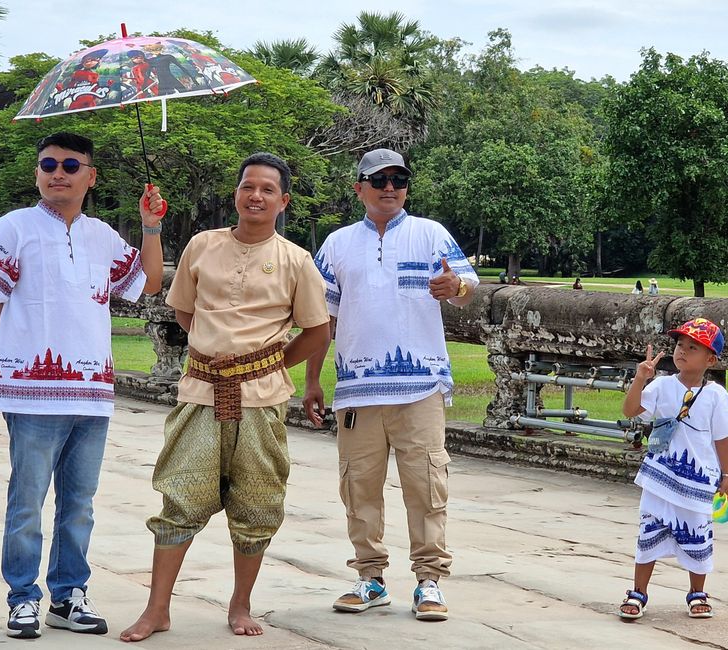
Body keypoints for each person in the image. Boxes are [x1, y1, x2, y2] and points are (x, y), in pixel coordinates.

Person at [120, 153, 330, 642]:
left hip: (261, 399)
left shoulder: (297, 260)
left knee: (257, 502)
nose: (255, 196)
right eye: (247, 187)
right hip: (200, 391)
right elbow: (185, 314)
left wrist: (267, 364)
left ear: (283, 201)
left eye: (267, 190)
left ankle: (240, 605)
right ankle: (157, 610)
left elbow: (317, 331)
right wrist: (220, 352)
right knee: (181, 495)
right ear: (236, 193)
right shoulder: (202, 246)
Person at [0, 132, 166, 639]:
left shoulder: (101, 236)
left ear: (89, 177)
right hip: (31, 392)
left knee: (80, 503)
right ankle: (22, 598)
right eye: (48, 163)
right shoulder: (15, 227)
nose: (58, 172)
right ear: (37, 173)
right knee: (27, 499)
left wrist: (150, 226)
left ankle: (69, 593)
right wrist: (22, 335)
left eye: (71, 164)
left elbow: (149, 282)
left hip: (91, 392)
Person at [303, 148, 479, 622]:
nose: (389, 187)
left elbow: (466, 287)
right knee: (359, 489)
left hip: (419, 385)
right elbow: (322, 320)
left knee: (426, 486)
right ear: (358, 186)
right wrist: (313, 380)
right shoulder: (337, 245)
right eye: (377, 179)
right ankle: (370, 578)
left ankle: (429, 582)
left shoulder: (431, 234)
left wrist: (454, 289)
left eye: (398, 179)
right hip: (358, 390)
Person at [618, 318, 728, 620]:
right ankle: (638, 592)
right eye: (679, 345)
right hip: (660, 478)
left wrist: (727, 476)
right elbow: (631, 410)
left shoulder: (715, 395)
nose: (682, 351)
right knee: (649, 533)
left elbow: (721, 438)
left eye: (692, 347)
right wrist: (640, 379)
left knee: (698, 535)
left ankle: (697, 592)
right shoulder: (661, 386)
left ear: (710, 359)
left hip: (698, 483)